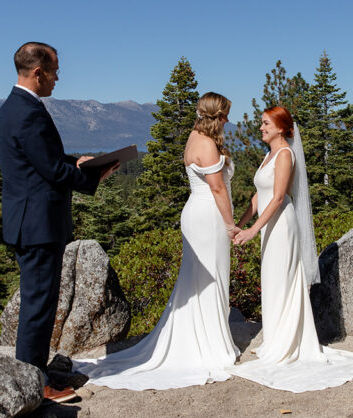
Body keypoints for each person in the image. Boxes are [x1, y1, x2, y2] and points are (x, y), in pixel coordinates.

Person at [73, 93, 241, 389]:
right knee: (212, 277)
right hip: (209, 216)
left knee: (198, 278)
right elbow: (217, 190)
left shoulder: (194, 137)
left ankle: (203, 335)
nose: (228, 119)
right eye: (225, 114)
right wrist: (231, 224)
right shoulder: (207, 144)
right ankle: (210, 343)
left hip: (195, 214)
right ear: (218, 116)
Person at [0, 41, 117, 403]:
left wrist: (77, 161)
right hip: (37, 224)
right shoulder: (29, 112)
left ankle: (36, 373)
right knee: (38, 304)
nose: (57, 78)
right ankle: (35, 383)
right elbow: (50, 170)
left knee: (41, 301)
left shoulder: (13, 108)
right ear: (38, 73)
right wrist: (93, 177)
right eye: (55, 72)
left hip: (27, 221)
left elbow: (44, 156)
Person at [231, 106, 353, 392]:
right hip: (269, 224)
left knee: (283, 280)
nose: (261, 128)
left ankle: (287, 343)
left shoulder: (285, 155)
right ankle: (276, 338)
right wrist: (240, 223)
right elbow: (259, 195)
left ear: (280, 127)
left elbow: (279, 197)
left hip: (281, 225)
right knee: (271, 280)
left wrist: (253, 231)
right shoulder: (268, 155)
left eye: (265, 123)